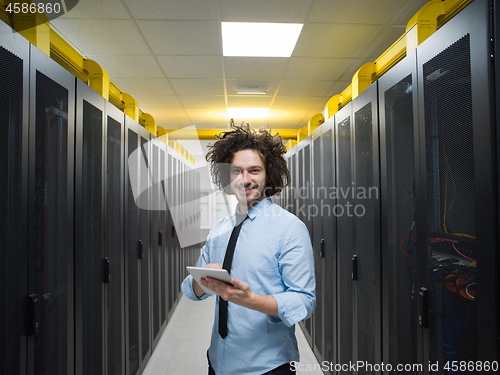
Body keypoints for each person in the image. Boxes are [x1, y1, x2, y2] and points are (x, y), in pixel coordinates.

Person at [181, 124, 316, 375]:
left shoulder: (289, 228)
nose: (245, 180)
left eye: (254, 170)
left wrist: (252, 300)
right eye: (236, 171)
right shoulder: (219, 229)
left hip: (266, 366)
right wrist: (203, 282)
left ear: (269, 175)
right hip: (218, 360)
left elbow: (304, 300)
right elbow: (190, 289)